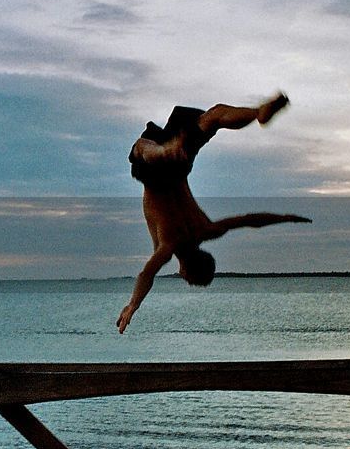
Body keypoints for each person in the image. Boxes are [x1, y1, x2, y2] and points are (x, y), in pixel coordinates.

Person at [117, 92, 310, 334]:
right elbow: (147, 274)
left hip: (179, 162)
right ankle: (163, 150)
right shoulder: (168, 246)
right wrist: (133, 305)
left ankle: (257, 113)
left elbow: (248, 220)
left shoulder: (206, 230)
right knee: (140, 149)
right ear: (186, 271)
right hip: (158, 167)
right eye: (187, 278)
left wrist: (284, 218)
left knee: (215, 116)